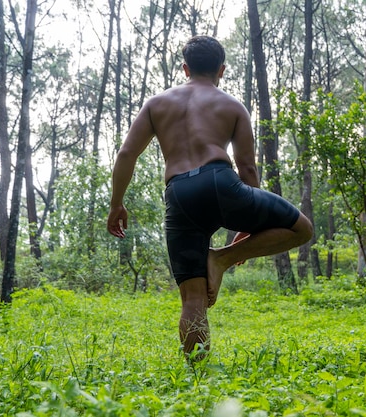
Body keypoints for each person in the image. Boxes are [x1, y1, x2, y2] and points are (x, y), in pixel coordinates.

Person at [107, 35, 313, 361]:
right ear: (222, 70)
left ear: (185, 68)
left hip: (179, 195)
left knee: (192, 298)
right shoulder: (232, 106)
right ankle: (222, 258)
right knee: (302, 229)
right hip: (221, 184)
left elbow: (126, 154)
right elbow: (247, 167)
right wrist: (246, 228)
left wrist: (117, 203)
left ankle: (198, 384)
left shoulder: (156, 104)